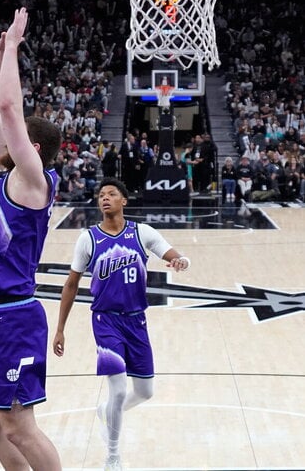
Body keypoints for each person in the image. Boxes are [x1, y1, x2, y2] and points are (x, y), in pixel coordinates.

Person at [0, 8, 62, 471]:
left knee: (18, 427)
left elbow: (8, 107)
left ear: (33, 148)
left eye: (17, 135)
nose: (6, 135)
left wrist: (15, 49)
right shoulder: (3, 174)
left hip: (14, 316)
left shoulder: (33, 180)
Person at [53, 177, 191, 471]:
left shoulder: (142, 233)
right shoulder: (88, 238)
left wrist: (182, 261)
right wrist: (60, 328)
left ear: (123, 201)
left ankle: (107, 412)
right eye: (101, 195)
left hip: (136, 321)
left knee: (144, 392)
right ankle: (113, 455)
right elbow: (71, 284)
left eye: (111, 194)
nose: (105, 198)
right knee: (116, 390)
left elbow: (171, 253)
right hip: (105, 321)